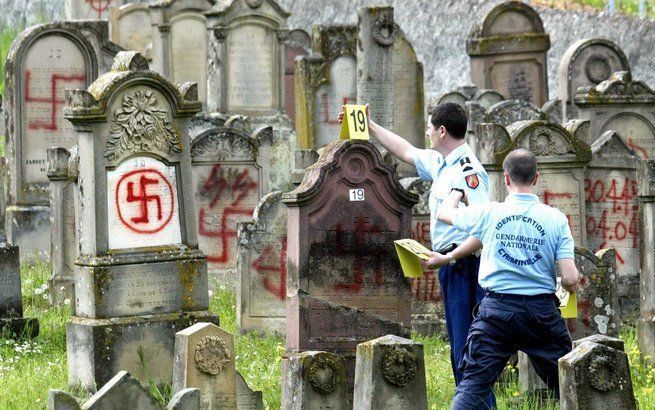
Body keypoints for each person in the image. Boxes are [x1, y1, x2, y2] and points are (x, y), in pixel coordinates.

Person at [339, 103, 494, 406]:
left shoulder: (468, 172)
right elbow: (407, 151)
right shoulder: (443, 163)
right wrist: (371, 126)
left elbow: (482, 232)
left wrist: (449, 259)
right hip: (451, 267)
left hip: (466, 267)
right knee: (459, 347)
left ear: (442, 130)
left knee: (469, 348)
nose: (426, 131)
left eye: (429, 126)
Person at [426, 148, 585, 409]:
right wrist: (576, 283)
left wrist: (456, 192)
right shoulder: (556, 219)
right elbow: (568, 278)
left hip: (496, 313)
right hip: (541, 313)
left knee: (472, 387)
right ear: (536, 179)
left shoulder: (490, 213)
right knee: (570, 382)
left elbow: (444, 214)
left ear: (506, 179)